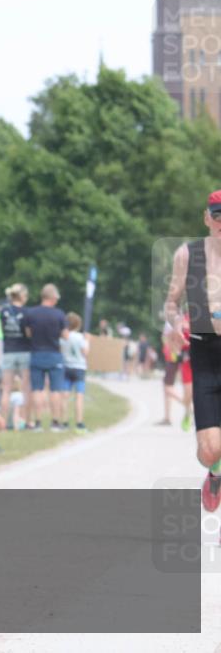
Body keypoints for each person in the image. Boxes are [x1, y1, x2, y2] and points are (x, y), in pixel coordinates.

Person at [163, 189, 221, 515]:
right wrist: (173, 325)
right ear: (207, 217)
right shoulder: (188, 255)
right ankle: (215, 474)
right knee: (210, 450)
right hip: (206, 355)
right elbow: (172, 302)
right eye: (218, 216)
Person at [23, 283, 68, 431]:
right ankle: (55, 423)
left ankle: (38, 423)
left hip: (36, 353)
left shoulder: (31, 313)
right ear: (53, 298)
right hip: (54, 354)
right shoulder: (59, 314)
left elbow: (28, 333)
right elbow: (66, 336)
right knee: (55, 390)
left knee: (37, 389)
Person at [0, 283, 31, 429]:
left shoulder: (4, 311)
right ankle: (23, 421)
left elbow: (1, 329)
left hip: (8, 351)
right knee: (25, 388)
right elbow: (29, 333)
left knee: (6, 389)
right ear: (22, 296)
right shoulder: (26, 312)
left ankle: (3, 422)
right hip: (24, 350)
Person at [60, 311, 89, 432]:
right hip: (79, 367)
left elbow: (60, 350)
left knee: (65, 396)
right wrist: (87, 341)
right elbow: (85, 353)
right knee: (79, 396)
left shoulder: (63, 337)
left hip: (67, 366)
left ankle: (64, 421)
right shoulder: (81, 337)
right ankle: (79, 422)